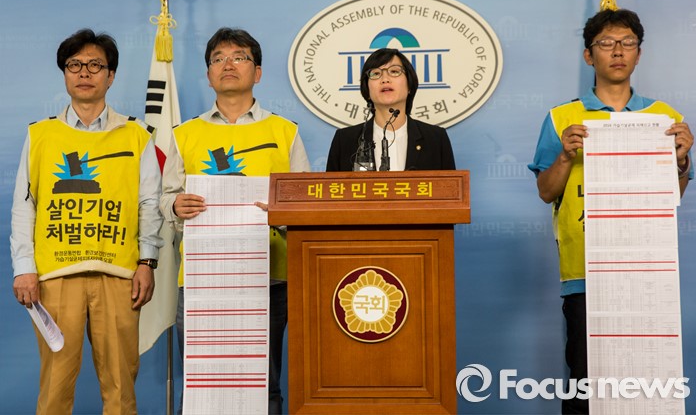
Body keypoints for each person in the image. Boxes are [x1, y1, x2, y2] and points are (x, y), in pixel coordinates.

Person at [528, 9, 694, 414]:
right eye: (606, 43)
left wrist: (681, 161)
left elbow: (673, 195)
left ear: (639, 53)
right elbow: (546, 192)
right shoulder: (562, 117)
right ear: (589, 55)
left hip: (649, 271)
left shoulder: (665, 118)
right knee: (587, 385)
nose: (618, 51)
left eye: (627, 43)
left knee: (649, 386)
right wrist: (565, 157)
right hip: (585, 272)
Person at [10, 28, 163, 415]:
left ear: (111, 76)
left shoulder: (136, 135)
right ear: (64, 73)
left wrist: (147, 262)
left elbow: (149, 204)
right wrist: (24, 268)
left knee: (120, 386)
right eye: (74, 65)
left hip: (119, 274)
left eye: (95, 65)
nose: (84, 72)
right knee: (55, 387)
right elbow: (24, 206)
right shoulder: (41, 135)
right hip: (56, 275)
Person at [160, 27, 310, 414]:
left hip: (268, 275)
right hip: (201, 278)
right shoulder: (184, 134)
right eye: (218, 59)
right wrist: (175, 206)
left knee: (264, 384)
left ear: (257, 72)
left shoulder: (285, 132)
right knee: (201, 384)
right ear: (209, 74)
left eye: (239, 57)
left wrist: (281, 214)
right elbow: (164, 198)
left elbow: (305, 205)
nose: (228, 64)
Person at [326, 47, 456, 172]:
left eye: (394, 71)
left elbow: (451, 185)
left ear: (409, 85)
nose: (385, 79)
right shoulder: (345, 140)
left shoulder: (435, 139)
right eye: (376, 74)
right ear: (367, 90)